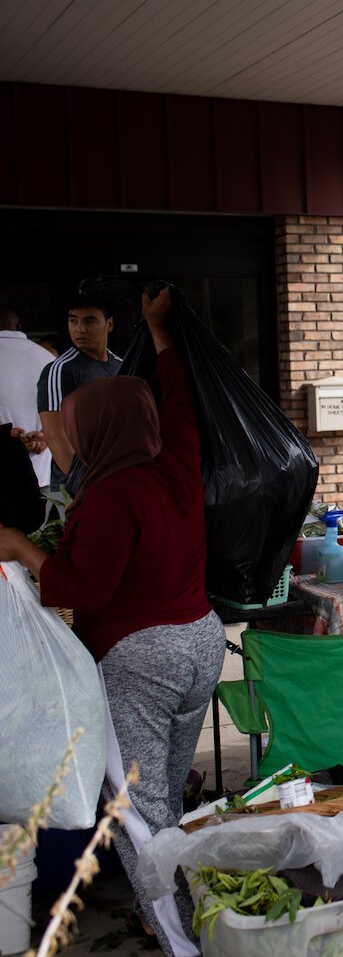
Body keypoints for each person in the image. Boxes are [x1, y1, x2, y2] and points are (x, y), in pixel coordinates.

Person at [0, 287, 224, 956]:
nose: (68, 434)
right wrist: (159, 333)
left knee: (137, 815)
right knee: (163, 801)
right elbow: (180, 399)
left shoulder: (105, 500)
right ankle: (183, 909)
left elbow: (75, 586)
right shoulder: (178, 459)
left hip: (140, 660)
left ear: (99, 431)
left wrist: (18, 545)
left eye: (76, 424)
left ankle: (184, 939)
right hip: (202, 644)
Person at [37, 290, 123, 493]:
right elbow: (54, 433)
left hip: (117, 478)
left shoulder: (122, 366)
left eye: (89, 321)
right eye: (73, 321)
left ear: (109, 324)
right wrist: (83, 484)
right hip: (76, 488)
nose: (79, 329)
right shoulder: (59, 370)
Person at [0, 305, 53, 486]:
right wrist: (47, 436)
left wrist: (7, 437)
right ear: (20, 327)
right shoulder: (49, 359)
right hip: (43, 478)